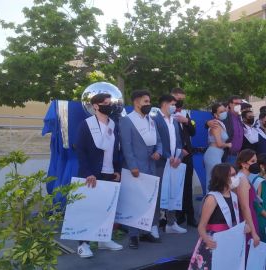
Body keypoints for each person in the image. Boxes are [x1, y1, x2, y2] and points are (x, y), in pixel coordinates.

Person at [74, 93, 123, 258]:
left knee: (107, 208)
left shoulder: (113, 124)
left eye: (110, 103)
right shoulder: (86, 125)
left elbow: (116, 150)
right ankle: (83, 244)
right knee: (89, 209)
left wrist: (117, 170)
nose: (109, 105)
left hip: (109, 172)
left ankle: (103, 239)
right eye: (105, 103)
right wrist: (88, 172)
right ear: (95, 106)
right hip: (92, 174)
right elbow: (80, 151)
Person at [119, 90, 163, 248]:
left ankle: (148, 230)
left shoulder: (151, 120)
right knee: (135, 200)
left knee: (151, 198)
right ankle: (133, 235)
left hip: (151, 165)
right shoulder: (126, 120)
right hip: (136, 167)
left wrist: (159, 151)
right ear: (136, 103)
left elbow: (158, 140)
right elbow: (126, 146)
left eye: (149, 101)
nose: (148, 104)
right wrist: (133, 166)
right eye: (145, 101)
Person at [188, 164, 241, 270]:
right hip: (214, 241)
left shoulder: (234, 196)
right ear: (223, 177)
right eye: (232, 175)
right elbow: (201, 227)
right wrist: (207, 240)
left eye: (236, 174)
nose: (236, 178)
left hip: (228, 240)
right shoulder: (212, 198)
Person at [153, 94, 186, 234]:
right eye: (172, 104)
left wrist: (178, 157)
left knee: (173, 192)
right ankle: (153, 225)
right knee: (159, 194)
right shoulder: (155, 120)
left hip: (174, 163)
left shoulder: (175, 121)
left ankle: (171, 223)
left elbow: (179, 141)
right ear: (164, 104)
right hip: (161, 163)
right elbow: (156, 141)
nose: (174, 107)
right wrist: (167, 156)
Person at [171, 87, 198, 227]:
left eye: (182, 99)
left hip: (188, 155)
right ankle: (177, 216)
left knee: (188, 186)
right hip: (174, 155)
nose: (180, 102)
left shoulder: (186, 114)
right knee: (176, 186)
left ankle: (190, 216)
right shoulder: (165, 113)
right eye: (177, 99)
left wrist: (186, 121)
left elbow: (193, 132)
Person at [234, 149, 261, 247]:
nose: (256, 164)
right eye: (252, 161)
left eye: (256, 161)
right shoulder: (242, 180)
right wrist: (253, 232)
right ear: (243, 164)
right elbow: (244, 207)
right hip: (246, 220)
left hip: (249, 218)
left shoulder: (243, 178)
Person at [204, 103, 231, 186]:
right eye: (221, 111)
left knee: (217, 180)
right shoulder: (215, 124)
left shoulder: (220, 124)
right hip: (213, 154)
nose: (224, 112)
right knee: (214, 180)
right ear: (215, 114)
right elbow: (219, 143)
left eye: (224, 110)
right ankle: (210, 198)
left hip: (217, 154)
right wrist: (228, 145)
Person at [223, 96, 244, 164]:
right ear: (230, 104)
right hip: (228, 155)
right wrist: (207, 123)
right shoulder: (225, 116)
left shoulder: (239, 117)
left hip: (238, 155)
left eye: (240, 104)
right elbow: (214, 120)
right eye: (236, 103)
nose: (238, 105)